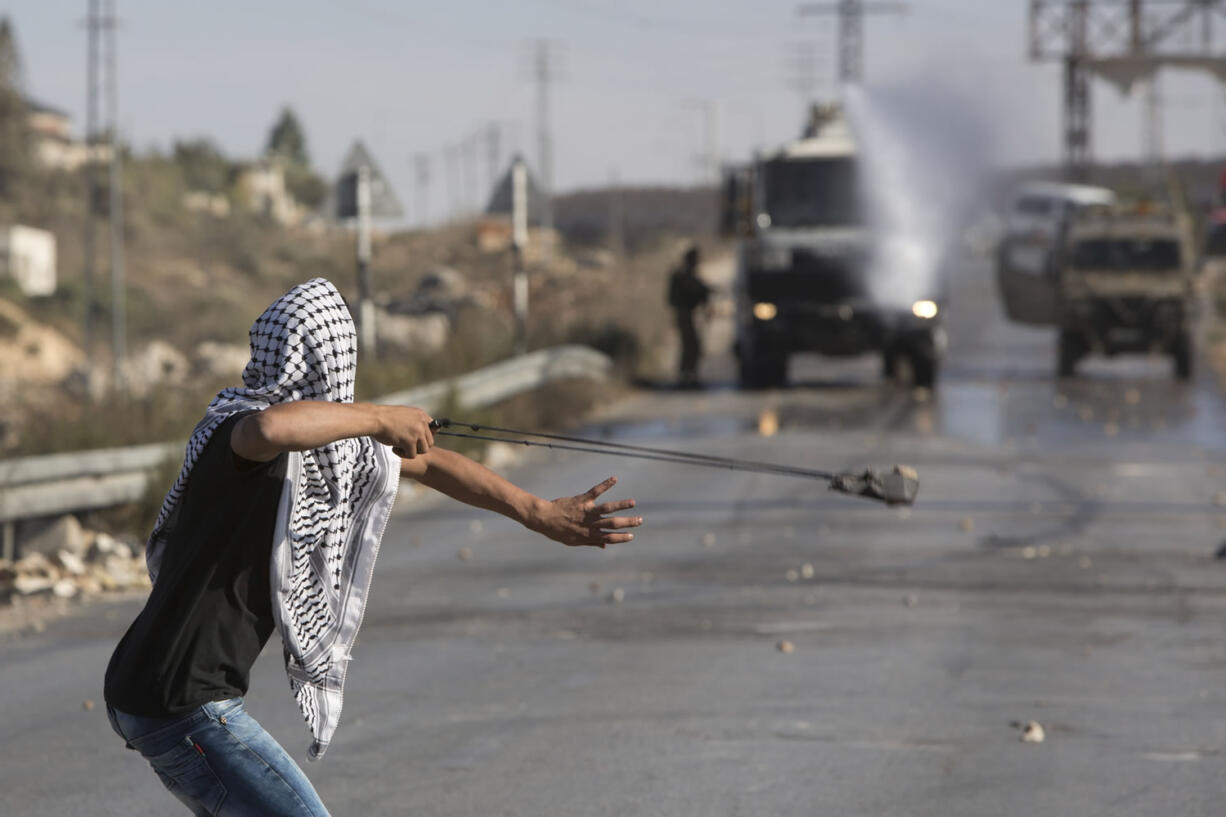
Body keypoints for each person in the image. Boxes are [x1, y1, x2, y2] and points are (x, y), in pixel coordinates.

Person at [103, 278, 643, 816]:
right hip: (181, 701)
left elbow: (431, 464)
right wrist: (381, 416)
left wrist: (537, 512)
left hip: (163, 694)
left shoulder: (321, 452)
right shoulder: (236, 433)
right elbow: (270, 428)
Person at [667, 244, 712, 388]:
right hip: (685, 314)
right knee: (689, 345)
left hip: (691, 314)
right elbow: (676, 297)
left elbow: (702, 292)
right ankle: (686, 376)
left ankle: (690, 375)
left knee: (694, 345)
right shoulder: (681, 276)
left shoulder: (688, 276)